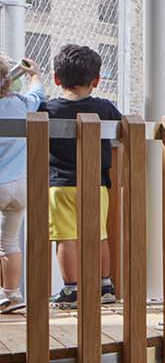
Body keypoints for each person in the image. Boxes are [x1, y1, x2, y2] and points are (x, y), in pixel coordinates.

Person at [45, 45, 121, 309]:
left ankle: (71, 289)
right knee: (99, 234)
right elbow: (119, 136)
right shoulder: (105, 108)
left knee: (66, 237)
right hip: (96, 184)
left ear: (56, 78)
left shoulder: (48, 109)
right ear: (96, 81)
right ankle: (105, 286)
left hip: (61, 185)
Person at [0, 54, 44, 313]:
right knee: (10, 242)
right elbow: (38, 94)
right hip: (20, 186)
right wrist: (34, 75)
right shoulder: (21, 104)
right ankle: (13, 294)